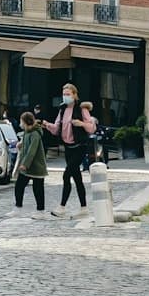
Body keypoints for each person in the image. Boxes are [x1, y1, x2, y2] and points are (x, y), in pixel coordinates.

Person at [42, 83, 97, 215]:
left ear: (74, 95)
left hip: (79, 147)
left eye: (68, 94)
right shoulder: (62, 109)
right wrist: (47, 125)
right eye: (64, 94)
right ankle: (84, 208)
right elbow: (57, 128)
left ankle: (62, 207)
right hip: (68, 148)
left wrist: (81, 123)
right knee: (77, 178)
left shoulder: (82, 109)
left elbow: (91, 128)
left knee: (67, 175)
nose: (65, 97)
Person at [13, 111, 47, 213]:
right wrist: (21, 144)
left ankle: (40, 211)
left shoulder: (35, 134)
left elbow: (32, 150)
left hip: (36, 166)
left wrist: (25, 164)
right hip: (29, 167)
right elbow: (26, 144)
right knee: (19, 186)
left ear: (25, 121)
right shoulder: (27, 133)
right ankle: (18, 207)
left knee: (38, 189)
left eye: (21, 121)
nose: (20, 123)